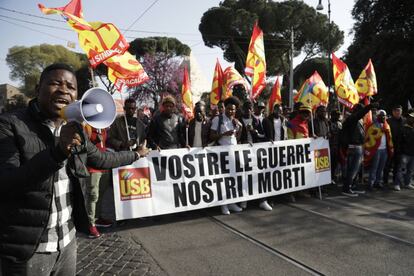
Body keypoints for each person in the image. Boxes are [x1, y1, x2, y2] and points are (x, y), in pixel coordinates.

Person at [0, 63, 150, 276]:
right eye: (55, 83)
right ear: (37, 89)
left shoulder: (75, 128)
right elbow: (7, 183)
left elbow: (99, 158)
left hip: (67, 242)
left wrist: (136, 155)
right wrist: (58, 152)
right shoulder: (10, 125)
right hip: (28, 250)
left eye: (71, 87)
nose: (63, 90)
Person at [210, 96, 243, 215]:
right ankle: (223, 205)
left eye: (233, 109)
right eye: (228, 109)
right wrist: (224, 134)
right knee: (223, 180)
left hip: (233, 153)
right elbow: (212, 136)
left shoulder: (235, 121)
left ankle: (232, 202)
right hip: (221, 153)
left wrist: (240, 129)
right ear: (225, 108)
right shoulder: (217, 120)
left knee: (232, 179)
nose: (231, 111)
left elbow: (237, 139)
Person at [341, 102, 378, 196]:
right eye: (362, 111)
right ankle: (347, 188)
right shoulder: (353, 118)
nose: (364, 114)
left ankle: (352, 186)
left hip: (358, 147)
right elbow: (360, 114)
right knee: (352, 169)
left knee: (356, 169)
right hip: (354, 147)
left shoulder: (357, 120)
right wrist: (369, 106)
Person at [82, 125, 113, 238]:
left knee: (101, 193)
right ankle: (91, 224)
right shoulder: (87, 128)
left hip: (104, 165)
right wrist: (95, 140)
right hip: (92, 167)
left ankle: (97, 217)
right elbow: (82, 145)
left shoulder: (103, 128)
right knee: (93, 195)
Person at [364, 110, 393, 190]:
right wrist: (380, 132)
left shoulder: (387, 125)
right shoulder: (373, 126)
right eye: (382, 115)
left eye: (385, 115)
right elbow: (368, 137)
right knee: (374, 167)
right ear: (378, 116)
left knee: (381, 168)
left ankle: (378, 182)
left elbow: (389, 137)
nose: (384, 117)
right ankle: (371, 184)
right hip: (376, 150)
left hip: (384, 150)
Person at [383, 105, 405, 185]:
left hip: (400, 147)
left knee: (397, 166)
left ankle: (395, 182)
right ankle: (385, 181)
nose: (397, 112)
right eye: (395, 111)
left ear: (401, 111)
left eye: (399, 110)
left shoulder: (404, 121)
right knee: (387, 165)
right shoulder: (388, 121)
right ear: (393, 112)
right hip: (389, 147)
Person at [394, 109, 414, 191]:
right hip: (405, 153)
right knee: (401, 169)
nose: (412, 119)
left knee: (410, 170)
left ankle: (407, 183)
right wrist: (399, 152)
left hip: (413, 153)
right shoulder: (403, 128)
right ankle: (397, 184)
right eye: (411, 117)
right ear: (408, 118)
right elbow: (400, 141)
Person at [328, 109, 342, 183]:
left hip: (338, 146)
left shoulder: (340, 123)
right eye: (336, 115)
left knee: (335, 163)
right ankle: (329, 178)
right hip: (330, 146)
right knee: (330, 164)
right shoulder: (328, 123)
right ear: (332, 115)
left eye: (338, 115)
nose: (338, 116)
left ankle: (333, 177)